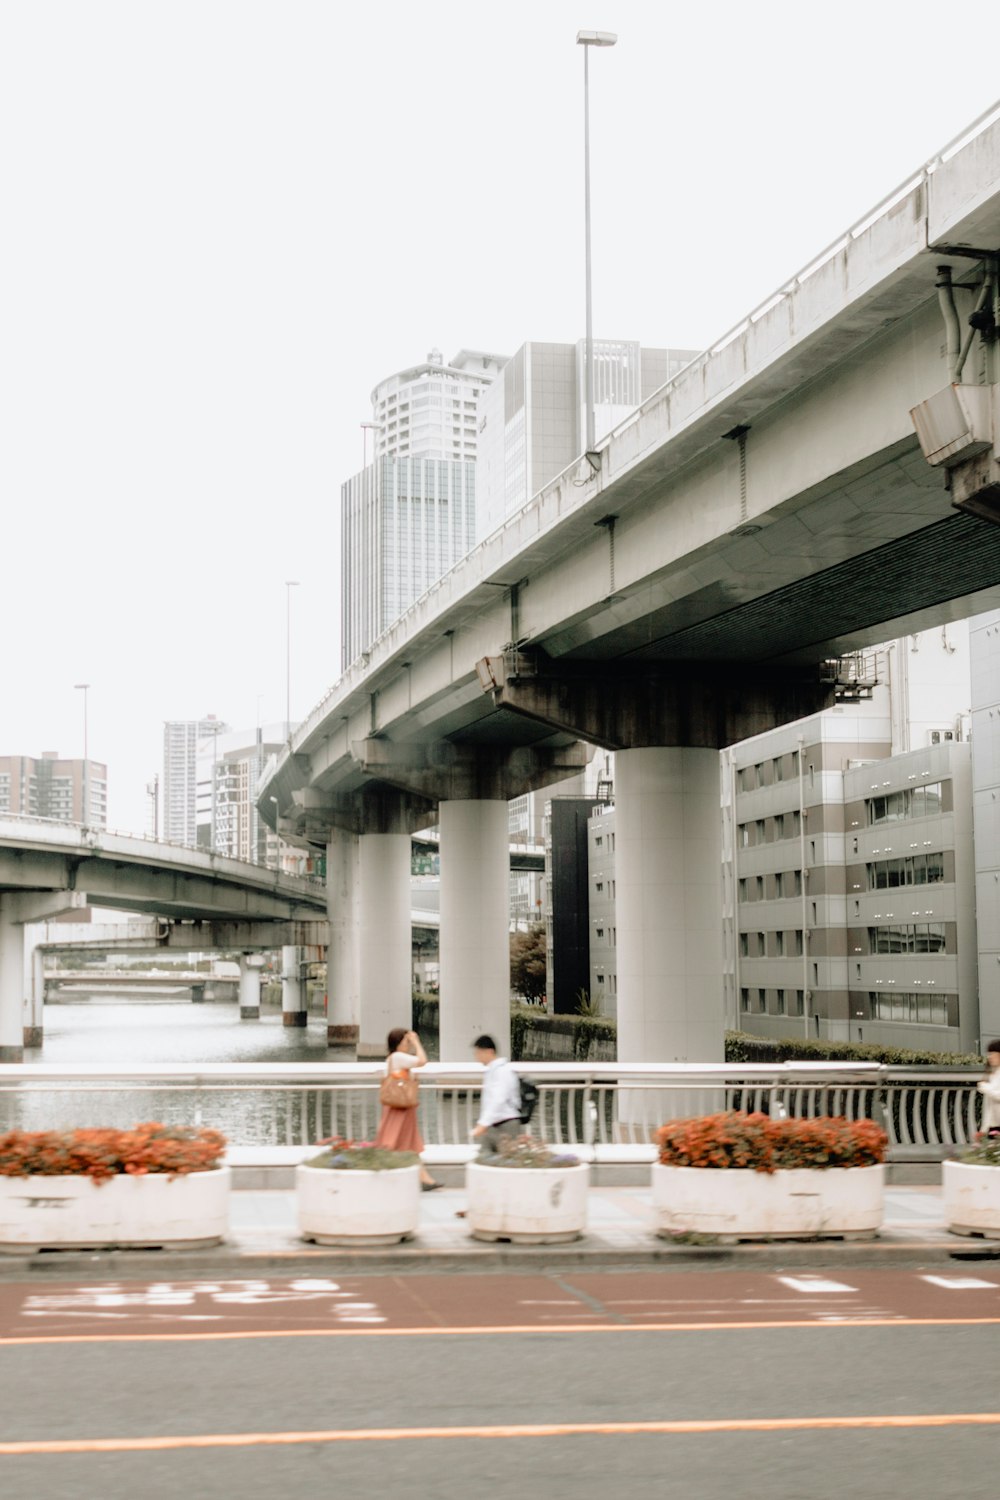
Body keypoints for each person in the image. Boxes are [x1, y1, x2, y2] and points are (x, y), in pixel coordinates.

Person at [373, 1027, 442, 1189]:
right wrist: (417, 1042)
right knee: (396, 1142)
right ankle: (385, 1175)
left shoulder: (394, 1058)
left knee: (407, 1144)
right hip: (400, 1108)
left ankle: (425, 1179)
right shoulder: (398, 1057)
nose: (408, 1044)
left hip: (401, 1107)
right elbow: (423, 1061)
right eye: (406, 1041)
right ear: (397, 1044)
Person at [471, 1034, 524, 1153]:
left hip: (507, 1124)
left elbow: (498, 1099)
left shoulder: (502, 1071)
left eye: (478, 1053)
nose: (476, 1057)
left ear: (489, 1052)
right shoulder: (493, 1071)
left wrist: (483, 1123)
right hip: (494, 1124)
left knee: (506, 1162)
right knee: (487, 1158)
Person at [978, 1040, 1000, 1138]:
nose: (990, 1058)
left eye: (993, 1055)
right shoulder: (993, 1075)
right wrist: (984, 1129)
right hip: (994, 1126)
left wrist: (985, 1087)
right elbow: (989, 1107)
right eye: (989, 1055)